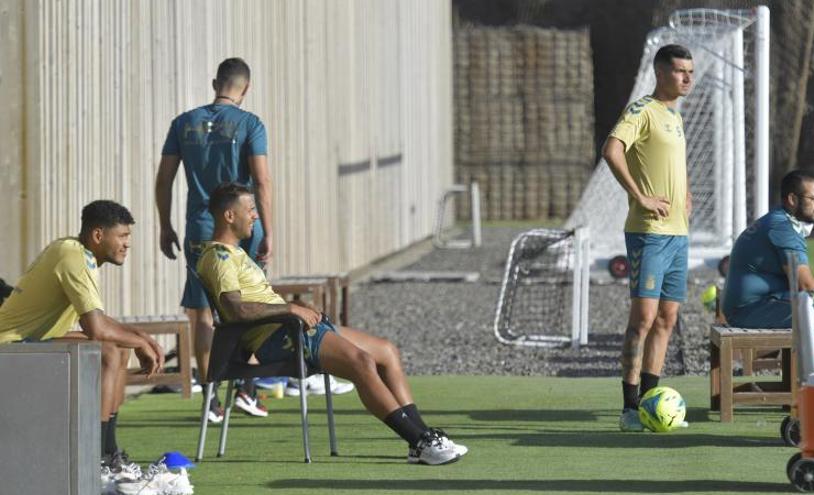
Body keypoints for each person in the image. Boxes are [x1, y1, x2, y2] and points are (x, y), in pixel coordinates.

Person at [196, 183, 468, 465]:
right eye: (250, 209)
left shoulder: (237, 254)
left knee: (386, 351)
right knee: (361, 362)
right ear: (229, 216)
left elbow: (257, 299)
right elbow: (235, 309)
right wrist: (290, 308)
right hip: (277, 337)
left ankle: (423, 437)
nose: (255, 216)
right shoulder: (218, 257)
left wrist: (296, 306)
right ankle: (419, 441)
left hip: (290, 326)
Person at [0, 200, 165, 482]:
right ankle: (97, 458)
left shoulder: (76, 252)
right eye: (122, 237)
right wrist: (139, 342)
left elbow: (97, 319)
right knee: (109, 352)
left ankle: (109, 452)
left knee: (118, 348)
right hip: (10, 348)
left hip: (29, 340)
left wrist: (139, 337)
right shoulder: (74, 257)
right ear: (98, 236)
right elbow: (97, 329)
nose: (127, 245)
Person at [155, 57, 273, 420]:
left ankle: (210, 397)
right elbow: (262, 182)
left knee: (202, 312)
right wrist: (268, 231)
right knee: (249, 304)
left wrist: (165, 224)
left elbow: (164, 179)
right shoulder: (250, 123)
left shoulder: (184, 122)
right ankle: (247, 388)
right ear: (246, 88)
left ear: (214, 83)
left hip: (200, 227)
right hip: (240, 226)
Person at [601, 44, 694, 432]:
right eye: (679, 71)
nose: (687, 78)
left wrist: (686, 195)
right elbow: (611, 150)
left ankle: (651, 404)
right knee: (643, 319)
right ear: (660, 74)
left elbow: (670, 165)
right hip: (649, 234)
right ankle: (628, 407)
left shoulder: (675, 116)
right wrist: (639, 196)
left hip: (678, 234)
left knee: (668, 318)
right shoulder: (642, 110)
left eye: (691, 71)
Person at [722, 170, 814, 342]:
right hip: (750, 310)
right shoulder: (783, 228)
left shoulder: (777, 220)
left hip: (746, 307)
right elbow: (805, 284)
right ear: (793, 199)